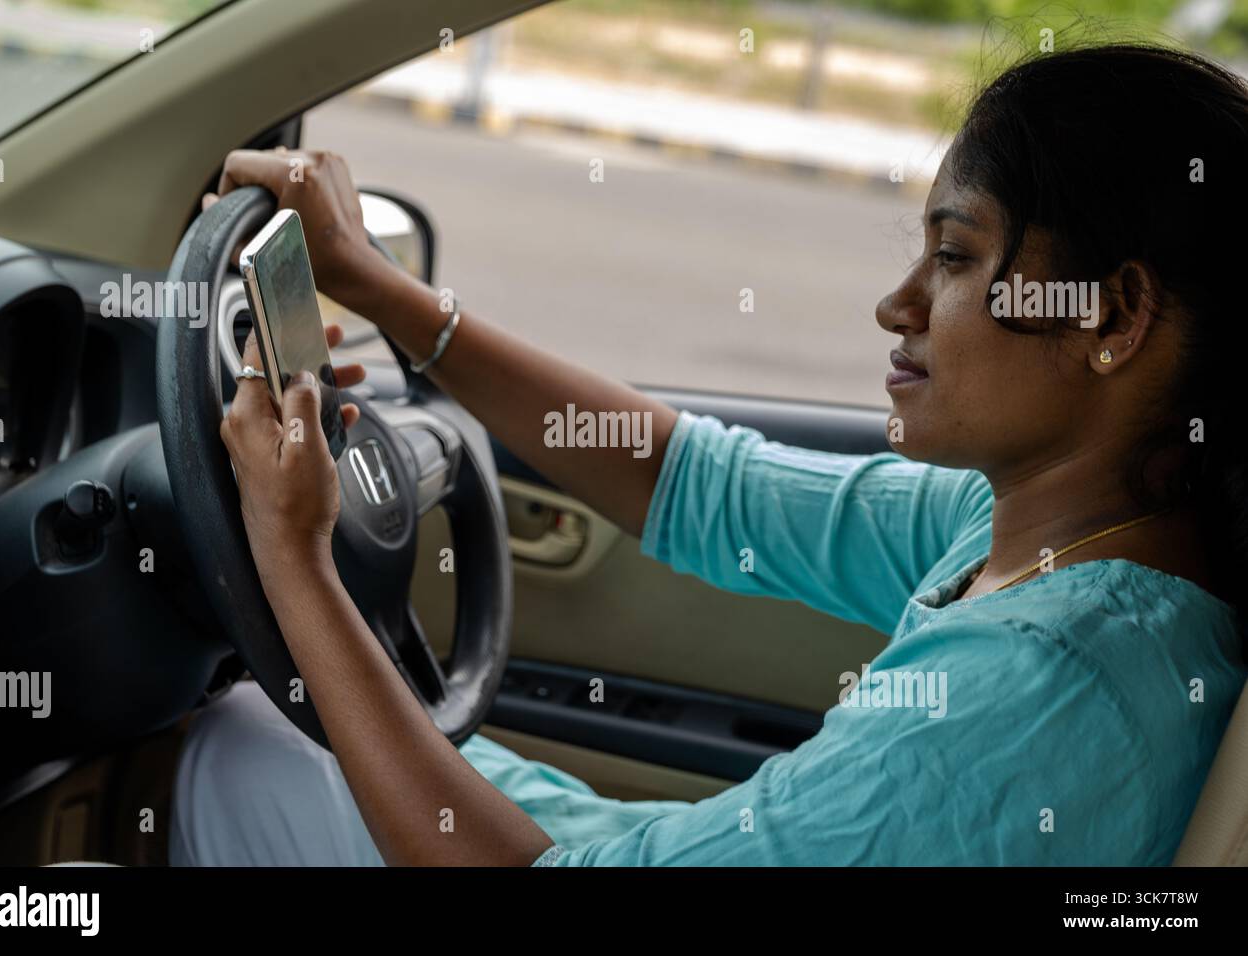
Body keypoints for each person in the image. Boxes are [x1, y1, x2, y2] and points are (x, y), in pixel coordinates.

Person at [169, 42, 1248, 866]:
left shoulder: (1035, 691)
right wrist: (382, 289)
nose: (897, 304)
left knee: (227, 753)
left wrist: (297, 559)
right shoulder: (1038, 532)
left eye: (956, 258)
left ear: (1110, 316)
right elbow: (701, 486)